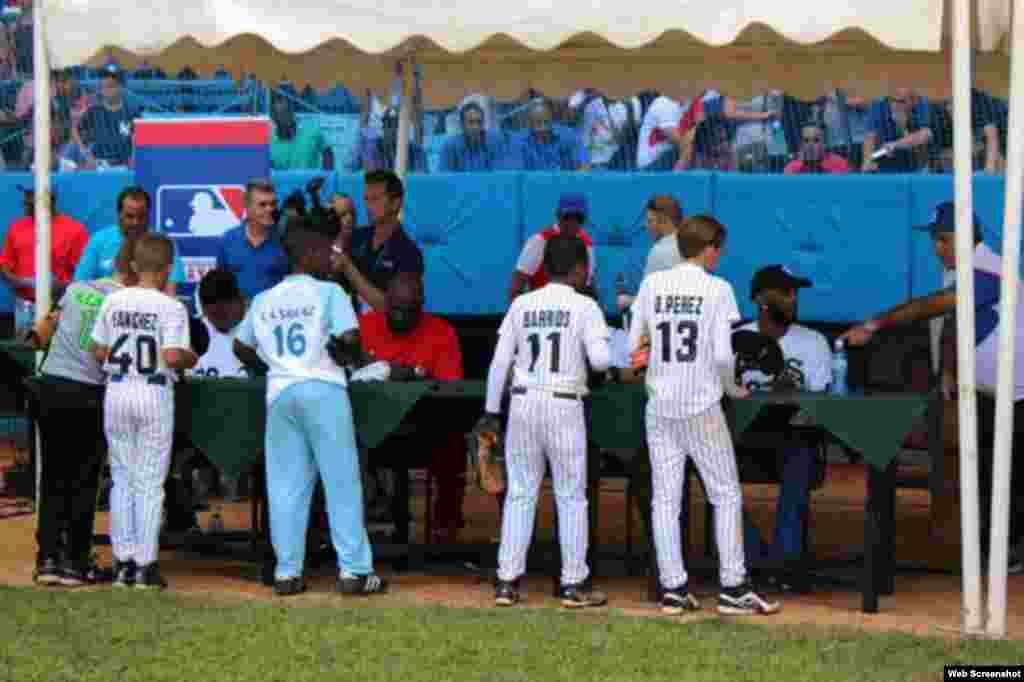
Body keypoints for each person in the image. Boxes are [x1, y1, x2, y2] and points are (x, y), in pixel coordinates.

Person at [841, 201, 1024, 570]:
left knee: (1011, 473)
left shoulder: (988, 268)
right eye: (935, 241)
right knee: (990, 471)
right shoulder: (964, 270)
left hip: (1018, 392)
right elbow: (956, 322)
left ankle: (1009, 551)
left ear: (963, 238)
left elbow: (932, 307)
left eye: (942, 240)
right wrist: (949, 370)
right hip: (994, 393)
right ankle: (1001, 548)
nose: (936, 248)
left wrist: (874, 324)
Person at [628, 214, 780, 616]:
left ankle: (673, 588)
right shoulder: (718, 289)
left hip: (660, 405)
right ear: (710, 248)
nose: (720, 255)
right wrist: (732, 388)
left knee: (665, 498)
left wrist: (654, 378)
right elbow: (721, 355)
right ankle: (733, 587)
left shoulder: (651, 285)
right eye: (719, 248)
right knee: (725, 493)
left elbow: (636, 348)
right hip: (701, 404)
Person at [233, 218, 387, 597]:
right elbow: (349, 338)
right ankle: (354, 571)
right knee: (341, 482)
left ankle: (287, 573)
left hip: (281, 392)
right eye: (328, 251)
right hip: (324, 388)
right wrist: (349, 356)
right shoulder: (330, 292)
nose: (332, 258)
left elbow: (240, 345)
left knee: (285, 486)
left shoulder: (265, 298)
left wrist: (270, 365)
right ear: (311, 253)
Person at [482, 234, 611, 608]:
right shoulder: (585, 306)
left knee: (521, 493)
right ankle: (573, 583)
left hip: (522, 402)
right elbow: (601, 361)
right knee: (571, 495)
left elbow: (500, 364)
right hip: (564, 403)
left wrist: (492, 413)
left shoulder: (522, 304)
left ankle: (507, 581)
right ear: (579, 269)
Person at [90, 234, 198, 590]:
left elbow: (97, 350)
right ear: (168, 269)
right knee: (150, 482)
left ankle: (123, 563)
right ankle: (145, 565)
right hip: (152, 393)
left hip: (118, 389)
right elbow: (171, 357)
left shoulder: (114, 299)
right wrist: (191, 356)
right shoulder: (172, 307)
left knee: (122, 478)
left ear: (134, 266)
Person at [26, 239, 136, 586]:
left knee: (54, 478)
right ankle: (74, 561)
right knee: (83, 481)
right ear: (137, 270)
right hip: (88, 394)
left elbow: (46, 329)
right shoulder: (125, 302)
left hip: (50, 387)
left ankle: (46, 560)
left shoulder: (76, 288)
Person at [736, 265, 831, 583]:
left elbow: (821, 401)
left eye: (796, 293)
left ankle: (783, 563)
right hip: (740, 440)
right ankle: (755, 556)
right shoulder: (734, 337)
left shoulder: (814, 341)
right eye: (787, 292)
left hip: (790, 437)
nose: (794, 299)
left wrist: (792, 392)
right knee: (707, 466)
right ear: (763, 299)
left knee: (801, 453)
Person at [359, 271, 466, 543]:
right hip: (372, 430)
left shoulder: (442, 331)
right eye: (394, 308)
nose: (400, 317)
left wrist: (411, 375)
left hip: (424, 428)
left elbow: (450, 390)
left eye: (408, 311)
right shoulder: (363, 326)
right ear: (386, 302)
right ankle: (346, 526)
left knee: (453, 441)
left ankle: (445, 527)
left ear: (421, 305)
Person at [332, 170, 424, 313]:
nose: (368, 207)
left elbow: (391, 308)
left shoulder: (409, 253)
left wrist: (348, 267)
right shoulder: (355, 238)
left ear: (395, 203)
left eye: (375, 199)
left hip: (382, 332)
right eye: (366, 199)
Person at [0, 186, 89, 332]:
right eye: (25, 201)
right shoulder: (16, 227)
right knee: (25, 350)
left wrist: (59, 286)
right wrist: (17, 280)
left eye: (30, 202)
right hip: (24, 305)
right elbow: (5, 263)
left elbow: (83, 276)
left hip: (59, 306)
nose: (26, 205)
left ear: (49, 202)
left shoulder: (75, 230)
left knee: (56, 350)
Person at [73, 186, 186, 296]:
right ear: (119, 214)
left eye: (141, 216)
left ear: (148, 215)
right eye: (129, 216)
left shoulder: (163, 243)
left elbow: (170, 292)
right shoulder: (99, 240)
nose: (135, 222)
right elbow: (79, 286)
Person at [509, 193, 596, 303]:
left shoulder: (587, 243)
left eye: (578, 218)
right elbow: (517, 285)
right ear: (558, 215)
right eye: (567, 217)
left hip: (573, 310)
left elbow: (589, 284)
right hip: (540, 308)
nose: (572, 223)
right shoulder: (539, 241)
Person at [215, 178, 289, 302]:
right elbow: (219, 286)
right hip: (237, 318)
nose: (269, 209)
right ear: (247, 206)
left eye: (273, 204)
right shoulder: (228, 240)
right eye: (262, 204)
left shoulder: (285, 241)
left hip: (274, 317)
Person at [190, 268, 248, 378]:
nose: (222, 320)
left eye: (226, 312)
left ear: (241, 301)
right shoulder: (193, 335)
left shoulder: (257, 332)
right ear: (203, 308)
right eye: (215, 315)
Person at [437, 101, 506, 172]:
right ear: (462, 124)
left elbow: (499, 175)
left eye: (479, 122)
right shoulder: (450, 146)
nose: (476, 127)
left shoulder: (495, 142)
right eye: (471, 122)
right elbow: (444, 177)